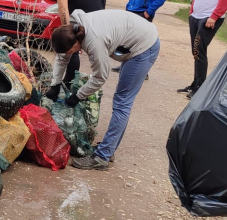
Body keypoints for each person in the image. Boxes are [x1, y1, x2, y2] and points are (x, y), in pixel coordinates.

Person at [45, 9, 160, 170]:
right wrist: (55, 84)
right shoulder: (72, 29)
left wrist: (78, 96)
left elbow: (100, 77)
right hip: (135, 35)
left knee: (122, 102)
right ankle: (108, 148)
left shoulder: (94, 42)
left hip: (144, 46)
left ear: (76, 45)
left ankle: (102, 157)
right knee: (122, 102)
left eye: (70, 51)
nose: (67, 54)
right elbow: (62, 57)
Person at [41, 0, 103, 87]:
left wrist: (66, 30)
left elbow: (63, 8)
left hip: (92, 21)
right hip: (96, 18)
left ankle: (67, 84)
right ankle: (67, 82)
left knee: (70, 48)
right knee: (71, 51)